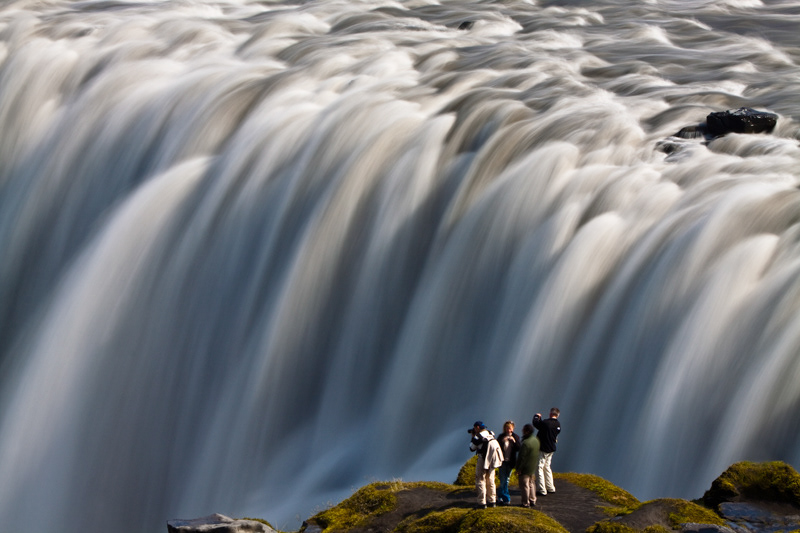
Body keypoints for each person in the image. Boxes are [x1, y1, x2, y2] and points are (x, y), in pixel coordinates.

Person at [469, 421, 504, 509]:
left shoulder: (478, 437)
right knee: (491, 480)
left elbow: (471, 448)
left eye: (474, 428)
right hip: (492, 460)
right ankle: (492, 501)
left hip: (483, 459)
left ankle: (482, 502)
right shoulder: (491, 433)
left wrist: (473, 437)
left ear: (477, 427)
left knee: (480, 480)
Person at [532, 407, 561, 496]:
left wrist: (536, 416)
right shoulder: (558, 424)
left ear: (550, 414)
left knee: (539, 467)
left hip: (543, 448)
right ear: (557, 415)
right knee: (547, 467)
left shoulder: (546, 423)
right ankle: (550, 487)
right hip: (551, 448)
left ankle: (542, 489)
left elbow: (536, 424)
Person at [497, 421, 521, 505]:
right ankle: (506, 498)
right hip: (502, 462)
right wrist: (502, 441)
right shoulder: (501, 437)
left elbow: (518, 448)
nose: (508, 430)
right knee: (503, 480)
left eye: (510, 428)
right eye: (507, 428)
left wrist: (514, 441)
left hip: (511, 462)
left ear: (513, 428)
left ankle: (500, 497)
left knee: (506, 480)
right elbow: (497, 447)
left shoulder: (516, 437)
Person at [516, 423, 539, 507]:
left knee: (524, 485)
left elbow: (522, 458)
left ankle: (525, 503)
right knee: (532, 483)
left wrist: (519, 468)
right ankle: (533, 500)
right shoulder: (536, 440)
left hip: (525, 468)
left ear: (527, 431)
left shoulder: (526, 443)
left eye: (523, 429)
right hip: (532, 467)